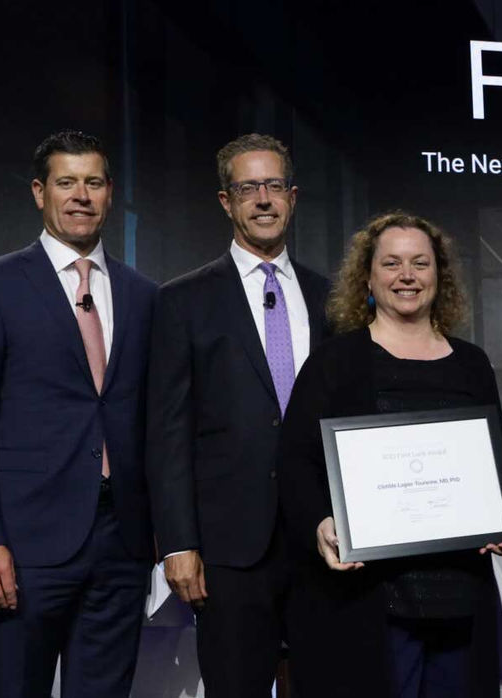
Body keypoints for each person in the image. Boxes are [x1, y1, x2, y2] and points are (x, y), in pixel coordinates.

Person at [0, 130, 156, 697]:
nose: (80, 195)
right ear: (40, 192)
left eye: (93, 182)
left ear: (109, 193)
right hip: (25, 544)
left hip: (123, 541)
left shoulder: (144, 295)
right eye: (66, 183)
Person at [278, 212, 502, 698]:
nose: (406, 276)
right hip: (368, 596)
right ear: (367, 276)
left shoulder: (471, 364)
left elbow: (490, 464)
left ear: (439, 275)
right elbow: (295, 463)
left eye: (420, 263)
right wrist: (320, 523)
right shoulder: (335, 361)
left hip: (459, 591)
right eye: (391, 263)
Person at [145, 133, 331, 695]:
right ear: (226, 201)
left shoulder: (332, 299)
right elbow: (167, 430)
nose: (264, 199)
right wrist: (178, 544)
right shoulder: (183, 301)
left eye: (274, 185)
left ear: (293, 197)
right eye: (248, 188)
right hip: (229, 550)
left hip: (324, 540)